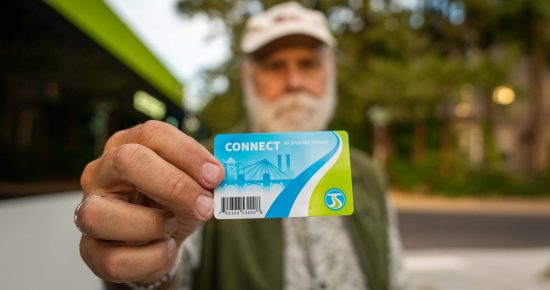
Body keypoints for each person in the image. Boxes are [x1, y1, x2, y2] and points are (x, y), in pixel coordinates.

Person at [75, 2, 407, 290]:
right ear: (247, 76)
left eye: (309, 64)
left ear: (330, 71)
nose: (294, 82)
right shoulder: (200, 165)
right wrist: (147, 267)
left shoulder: (367, 173)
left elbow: (395, 277)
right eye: (275, 66)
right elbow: (168, 274)